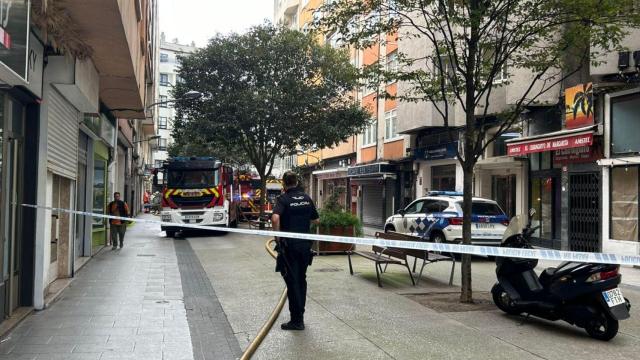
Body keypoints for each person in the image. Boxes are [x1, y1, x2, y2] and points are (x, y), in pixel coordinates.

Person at [271, 171, 319, 331]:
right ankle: (300, 316)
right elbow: (316, 220)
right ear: (297, 181)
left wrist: (278, 238)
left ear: (284, 183)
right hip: (305, 246)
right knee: (301, 279)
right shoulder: (306, 198)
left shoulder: (283, 199)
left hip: (289, 247)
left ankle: (297, 320)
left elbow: (275, 218)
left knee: (292, 282)